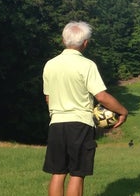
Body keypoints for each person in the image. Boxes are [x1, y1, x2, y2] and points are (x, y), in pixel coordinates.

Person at [42, 21, 129, 196]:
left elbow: (48, 98)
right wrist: (123, 111)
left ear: (63, 40)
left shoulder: (50, 64)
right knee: (77, 173)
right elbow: (101, 96)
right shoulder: (87, 65)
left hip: (57, 124)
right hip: (80, 125)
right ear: (85, 43)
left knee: (57, 173)